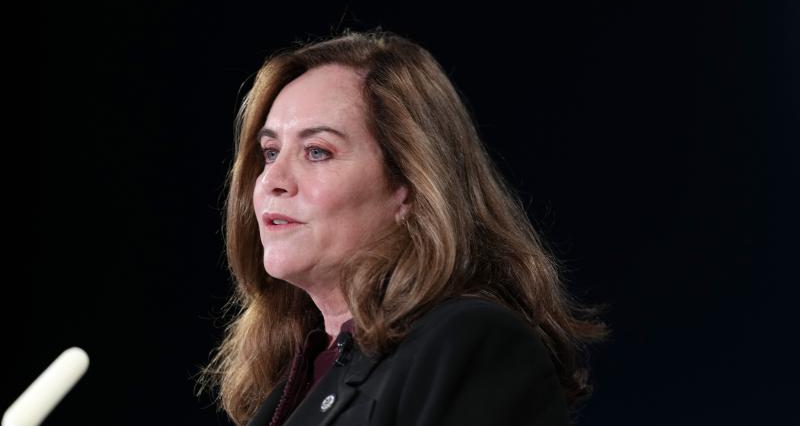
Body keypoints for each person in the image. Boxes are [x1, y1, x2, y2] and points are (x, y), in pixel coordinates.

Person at [201, 29, 608, 426]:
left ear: (409, 187)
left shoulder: (468, 343)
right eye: (270, 152)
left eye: (317, 151)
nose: (273, 179)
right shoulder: (292, 377)